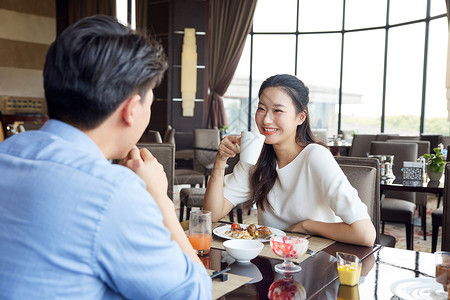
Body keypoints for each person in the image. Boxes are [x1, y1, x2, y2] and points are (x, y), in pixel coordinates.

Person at [0, 15, 211, 299]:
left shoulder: (8, 150)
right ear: (131, 109)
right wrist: (160, 197)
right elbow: (194, 293)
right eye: (151, 99)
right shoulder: (113, 192)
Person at [204, 74, 376, 247]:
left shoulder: (315, 156)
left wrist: (306, 226)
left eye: (278, 110)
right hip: (273, 261)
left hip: (317, 261)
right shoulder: (256, 158)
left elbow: (365, 234)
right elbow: (212, 214)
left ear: (301, 117)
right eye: (262, 108)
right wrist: (220, 160)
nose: (266, 120)